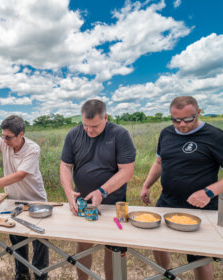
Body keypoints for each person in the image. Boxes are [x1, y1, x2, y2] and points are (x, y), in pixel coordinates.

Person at [140, 96, 223, 280]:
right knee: (158, 244)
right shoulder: (166, 133)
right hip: (167, 202)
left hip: (202, 208)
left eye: (188, 119)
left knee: (199, 257)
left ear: (198, 112)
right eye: (175, 119)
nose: (181, 124)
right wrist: (147, 185)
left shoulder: (216, 136)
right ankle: (165, 275)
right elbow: (159, 161)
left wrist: (208, 192)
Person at [60, 99, 136, 280]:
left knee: (113, 248)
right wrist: (69, 193)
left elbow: (127, 171)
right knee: (84, 245)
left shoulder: (120, 134)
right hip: (84, 202)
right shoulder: (73, 134)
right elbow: (65, 166)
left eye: (94, 126)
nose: (89, 130)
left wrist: (102, 191)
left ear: (106, 118)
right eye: (85, 125)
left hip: (114, 202)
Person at [0, 115, 49, 280]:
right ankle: (21, 274)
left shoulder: (32, 149)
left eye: (8, 137)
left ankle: (41, 275)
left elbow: (20, 175)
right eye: (2, 136)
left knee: (40, 241)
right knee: (17, 238)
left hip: (35, 200)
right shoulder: (2, 142)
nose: (4, 140)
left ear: (21, 134)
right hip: (14, 200)